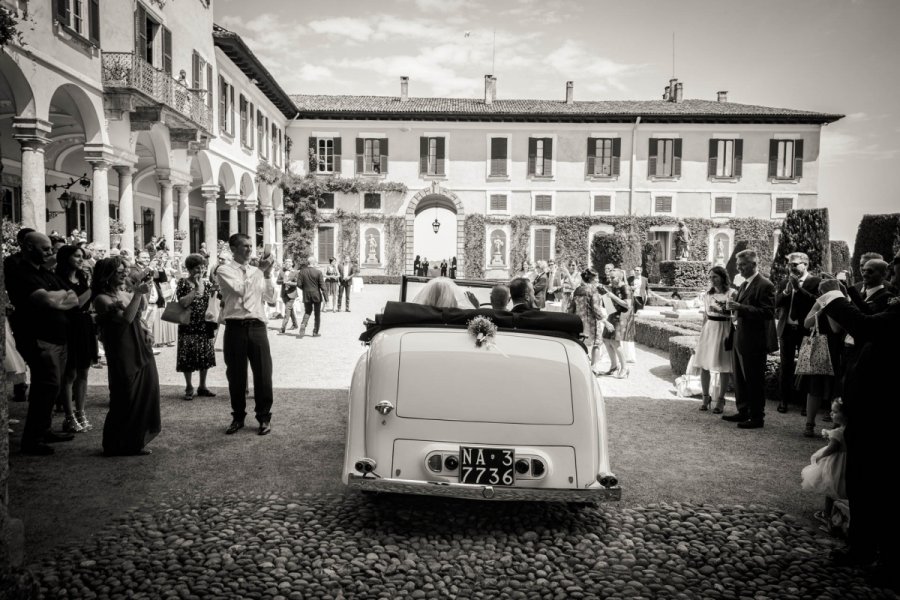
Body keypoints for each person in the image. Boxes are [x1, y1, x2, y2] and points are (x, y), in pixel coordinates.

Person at [814, 278, 900, 583]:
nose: (892, 272)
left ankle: (884, 560)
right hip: (867, 411)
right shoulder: (894, 304)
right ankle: (861, 547)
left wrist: (833, 296)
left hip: (884, 413)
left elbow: (866, 327)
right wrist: (848, 292)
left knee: (880, 487)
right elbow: (869, 318)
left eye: (897, 266)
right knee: (861, 482)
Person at [6, 233, 79, 455]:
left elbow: (73, 297)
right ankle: (33, 439)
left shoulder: (45, 272)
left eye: (50, 248)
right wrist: (58, 298)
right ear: (29, 247)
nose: (50, 252)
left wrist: (57, 299)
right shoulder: (21, 272)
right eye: (45, 248)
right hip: (37, 336)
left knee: (51, 386)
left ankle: (43, 430)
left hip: (57, 336)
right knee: (46, 385)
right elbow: (45, 299)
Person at [92, 257, 161, 456]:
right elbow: (126, 319)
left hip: (139, 343)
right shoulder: (101, 299)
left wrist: (139, 291)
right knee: (126, 394)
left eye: (124, 269)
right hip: (122, 349)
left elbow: (139, 314)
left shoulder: (123, 292)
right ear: (106, 275)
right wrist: (137, 295)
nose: (123, 273)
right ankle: (115, 444)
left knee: (146, 392)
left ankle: (134, 441)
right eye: (118, 271)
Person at [216, 234, 276, 436]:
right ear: (233, 248)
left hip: (257, 326)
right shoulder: (224, 270)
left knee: (264, 374)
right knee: (236, 375)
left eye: (251, 246)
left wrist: (267, 276)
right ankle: (238, 416)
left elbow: (271, 298)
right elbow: (241, 290)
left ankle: (264, 417)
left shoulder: (256, 272)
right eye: (245, 246)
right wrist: (260, 271)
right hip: (235, 327)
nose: (250, 249)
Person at [722, 249, 776, 429]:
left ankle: (757, 417)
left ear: (754, 264)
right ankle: (743, 410)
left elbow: (768, 313)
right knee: (740, 379)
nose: (739, 269)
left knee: (754, 379)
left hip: (754, 341)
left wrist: (741, 307)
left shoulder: (765, 284)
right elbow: (740, 309)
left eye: (743, 265)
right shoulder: (744, 285)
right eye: (738, 266)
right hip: (741, 337)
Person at [55, 245, 98, 433]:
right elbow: (77, 303)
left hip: (85, 326)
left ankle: (81, 413)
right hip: (69, 327)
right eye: (77, 256)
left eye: (82, 256)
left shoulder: (81, 278)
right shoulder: (59, 280)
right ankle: (69, 416)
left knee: (84, 372)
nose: (81, 260)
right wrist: (95, 288)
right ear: (66, 258)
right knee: (70, 374)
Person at [775, 252, 821, 414]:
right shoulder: (783, 282)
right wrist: (787, 292)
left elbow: (816, 302)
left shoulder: (816, 281)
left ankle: (804, 404)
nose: (791, 267)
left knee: (805, 367)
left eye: (794, 264)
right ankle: (783, 401)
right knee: (786, 367)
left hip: (805, 331)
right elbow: (776, 303)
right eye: (789, 264)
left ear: (806, 264)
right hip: (787, 330)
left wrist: (798, 289)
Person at [175, 254, 217, 401]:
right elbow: (182, 303)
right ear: (190, 269)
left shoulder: (208, 284)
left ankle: (203, 386)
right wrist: (196, 290)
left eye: (202, 267)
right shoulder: (183, 283)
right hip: (188, 324)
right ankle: (189, 386)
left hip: (204, 324)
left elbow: (214, 301)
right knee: (187, 355)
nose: (201, 270)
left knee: (204, 355)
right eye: (197, 267)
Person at [800, 398, 847, 529]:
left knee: (830, 488)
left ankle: (827, 514)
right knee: (843, 489)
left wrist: (819, 456)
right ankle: (840, 513)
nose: (831, 414)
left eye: (835, 412)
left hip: (836, 463)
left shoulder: (838, 433)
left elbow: (831, 449)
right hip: (846, 462)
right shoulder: (846, 431)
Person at [801, 295, 844, 437]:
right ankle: (809, 423)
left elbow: (836, 328)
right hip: (819, 347)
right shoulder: (820, 302)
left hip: (836, 348)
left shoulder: (843, 302)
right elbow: (807, 323)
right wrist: (820, 310)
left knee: (836, 388)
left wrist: (830, 308)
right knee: (815, 386)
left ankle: (837, 425)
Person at [694, 266, 735, 413]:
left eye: (715, 277)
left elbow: (735, 315)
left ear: (723, 277)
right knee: (704, 364)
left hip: (724, 328)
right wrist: (701, 335)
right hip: (709, 329)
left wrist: (724, 311)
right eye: (710, 277)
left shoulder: (731, 293)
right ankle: (706, 397)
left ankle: (721, 400)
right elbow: (705, 316)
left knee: (724, 366)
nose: (712, 280)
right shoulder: (707, 294)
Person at [568, 269, 611, 376]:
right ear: (592, 279)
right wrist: (606, 322)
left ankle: (581, 366)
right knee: (596, 344)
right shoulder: (593, 291)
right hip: (591, 322)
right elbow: (596, 309)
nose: (597, 280)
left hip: (578, 322)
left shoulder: (577, 290)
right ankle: (593, 367)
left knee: (580, 344)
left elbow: (571, 308)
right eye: (596, 278)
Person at [599, 269, 631, 379]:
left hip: (621, 316)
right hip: (612, 314)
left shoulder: (625, 287)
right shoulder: (613, 287)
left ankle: (625, 368)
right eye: (610, 277)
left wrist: (612, 296)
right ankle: (613, 367)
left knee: (615, 342)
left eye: (613, 278)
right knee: (606, 339)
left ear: (620, 277)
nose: (610, 280)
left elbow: (627, 305)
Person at [297, 255, 326, 338]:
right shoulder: (318, 272)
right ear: (314, 263)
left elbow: (299, 284)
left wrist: (305, 289)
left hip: (306, 295)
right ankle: (315, 332)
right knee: (317, 314)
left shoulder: (302, 271)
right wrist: (326, 298)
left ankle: (303, 324)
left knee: (307, 311)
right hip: (316, 295)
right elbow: (323, 286)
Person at [276, 258, 299, 333]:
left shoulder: (295, 272)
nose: (287, 263)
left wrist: (290, 283)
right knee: (290, 309)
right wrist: (283, 281)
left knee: (287, 310)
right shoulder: (282, 271)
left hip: (292, 293)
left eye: (289, 262)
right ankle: (295, 325)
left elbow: (297, 283)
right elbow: (277, 282)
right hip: (284, 294)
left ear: (292, 264)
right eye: (286, 262)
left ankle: (283, 327)